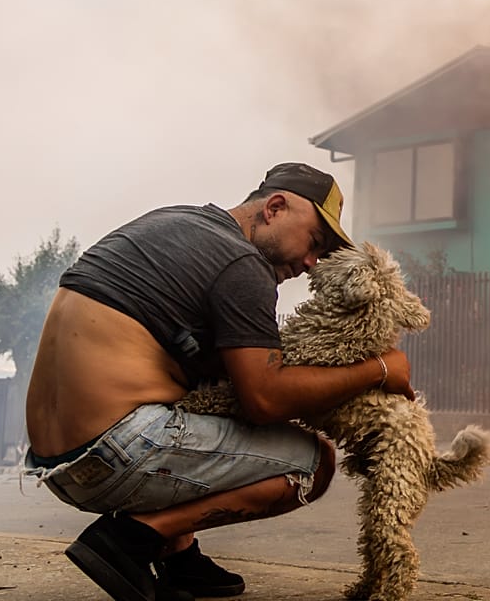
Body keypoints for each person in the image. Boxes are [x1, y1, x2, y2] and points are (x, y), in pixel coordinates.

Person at [24, 162, 415, 601]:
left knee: (191, 389)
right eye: (314, 242)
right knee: (313, 463)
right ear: (276, 208)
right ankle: (131, 540)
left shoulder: (174, 222)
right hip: (117, 451)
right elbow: (263, 400)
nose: (310, 264)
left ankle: (179, 557)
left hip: (54, 464)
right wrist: (379, 369)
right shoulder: (242, 264)